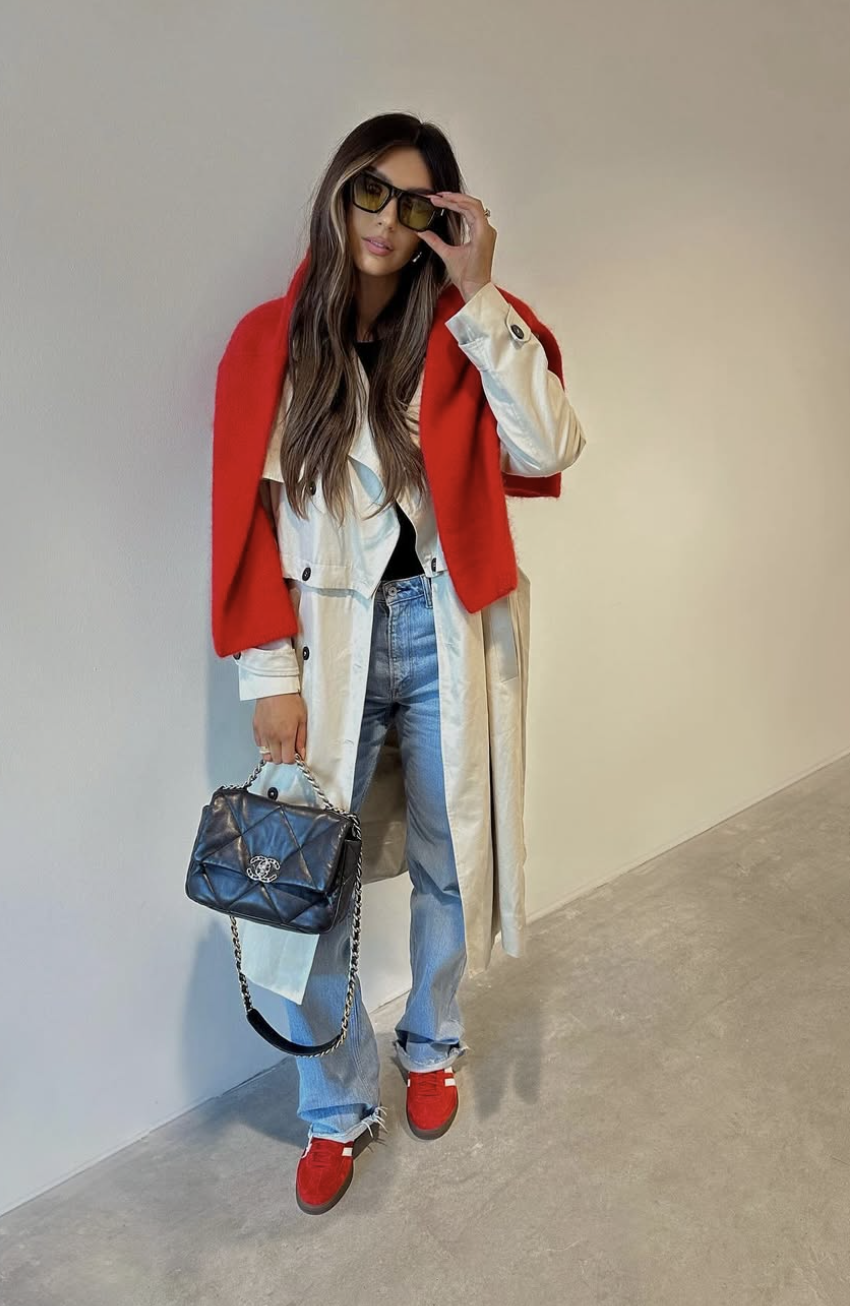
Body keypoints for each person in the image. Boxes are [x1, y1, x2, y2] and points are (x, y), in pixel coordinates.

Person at [210, 112, 586, 1215]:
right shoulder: (271, 342)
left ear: (439, 222)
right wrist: (268, 674)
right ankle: (334, 1107)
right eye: (370, 192)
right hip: (326, 640)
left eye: (414, 204)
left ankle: (433, 1041)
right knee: (309, 883)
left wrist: (480, 290)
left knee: (447, 855)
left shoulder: (469, 331)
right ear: (340, 194)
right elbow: (244, 524)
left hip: (442, 624)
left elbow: (550, 446)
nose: (385, 220)